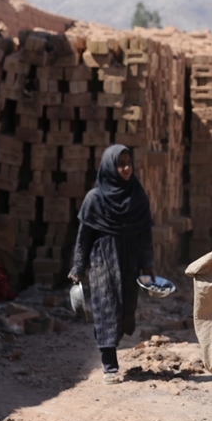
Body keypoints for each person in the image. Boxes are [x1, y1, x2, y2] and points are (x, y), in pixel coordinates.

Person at [68, 145, 154, 384]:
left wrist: (147, 264)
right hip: (102, 260)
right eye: (121, 163)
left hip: (130, 260)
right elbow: (83, 238)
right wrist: (78, 268)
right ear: (109, 167)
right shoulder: (94, 199)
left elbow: (145, 234)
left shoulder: (137, 195)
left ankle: (112, 348)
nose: (127, 168)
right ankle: (110, 366)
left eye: (129, 162)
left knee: (125, 308)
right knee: (106, 308)